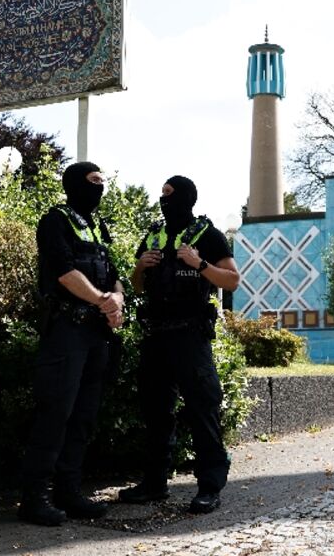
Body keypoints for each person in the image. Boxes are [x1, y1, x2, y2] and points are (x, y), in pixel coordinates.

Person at [120, 175, 240, 514]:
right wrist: (140, 268)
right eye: (162, 194)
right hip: (156, 335)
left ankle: (209, 488)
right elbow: (138, 286)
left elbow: (232, 279)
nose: (164, 199)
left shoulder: (208, 235)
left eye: (170, 194)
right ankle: (154, 484)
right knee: (156, 412)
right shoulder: (154, 235)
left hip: (190, 336)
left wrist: (199, 264)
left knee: (203, 409)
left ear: (187, 197)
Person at [17, 161, 125, 527]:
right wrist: (101, 300)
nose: (101, 187)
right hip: (66, 330)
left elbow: (114, 274)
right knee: (55, 413)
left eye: (103, 180)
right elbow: (64, 271)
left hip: (96, 333)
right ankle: (34, 498)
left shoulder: (97, 225)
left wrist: (117, 301)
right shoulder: (55, 220)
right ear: (76, 183)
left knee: (83, 416)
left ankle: (69, 491)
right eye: (95, 180)